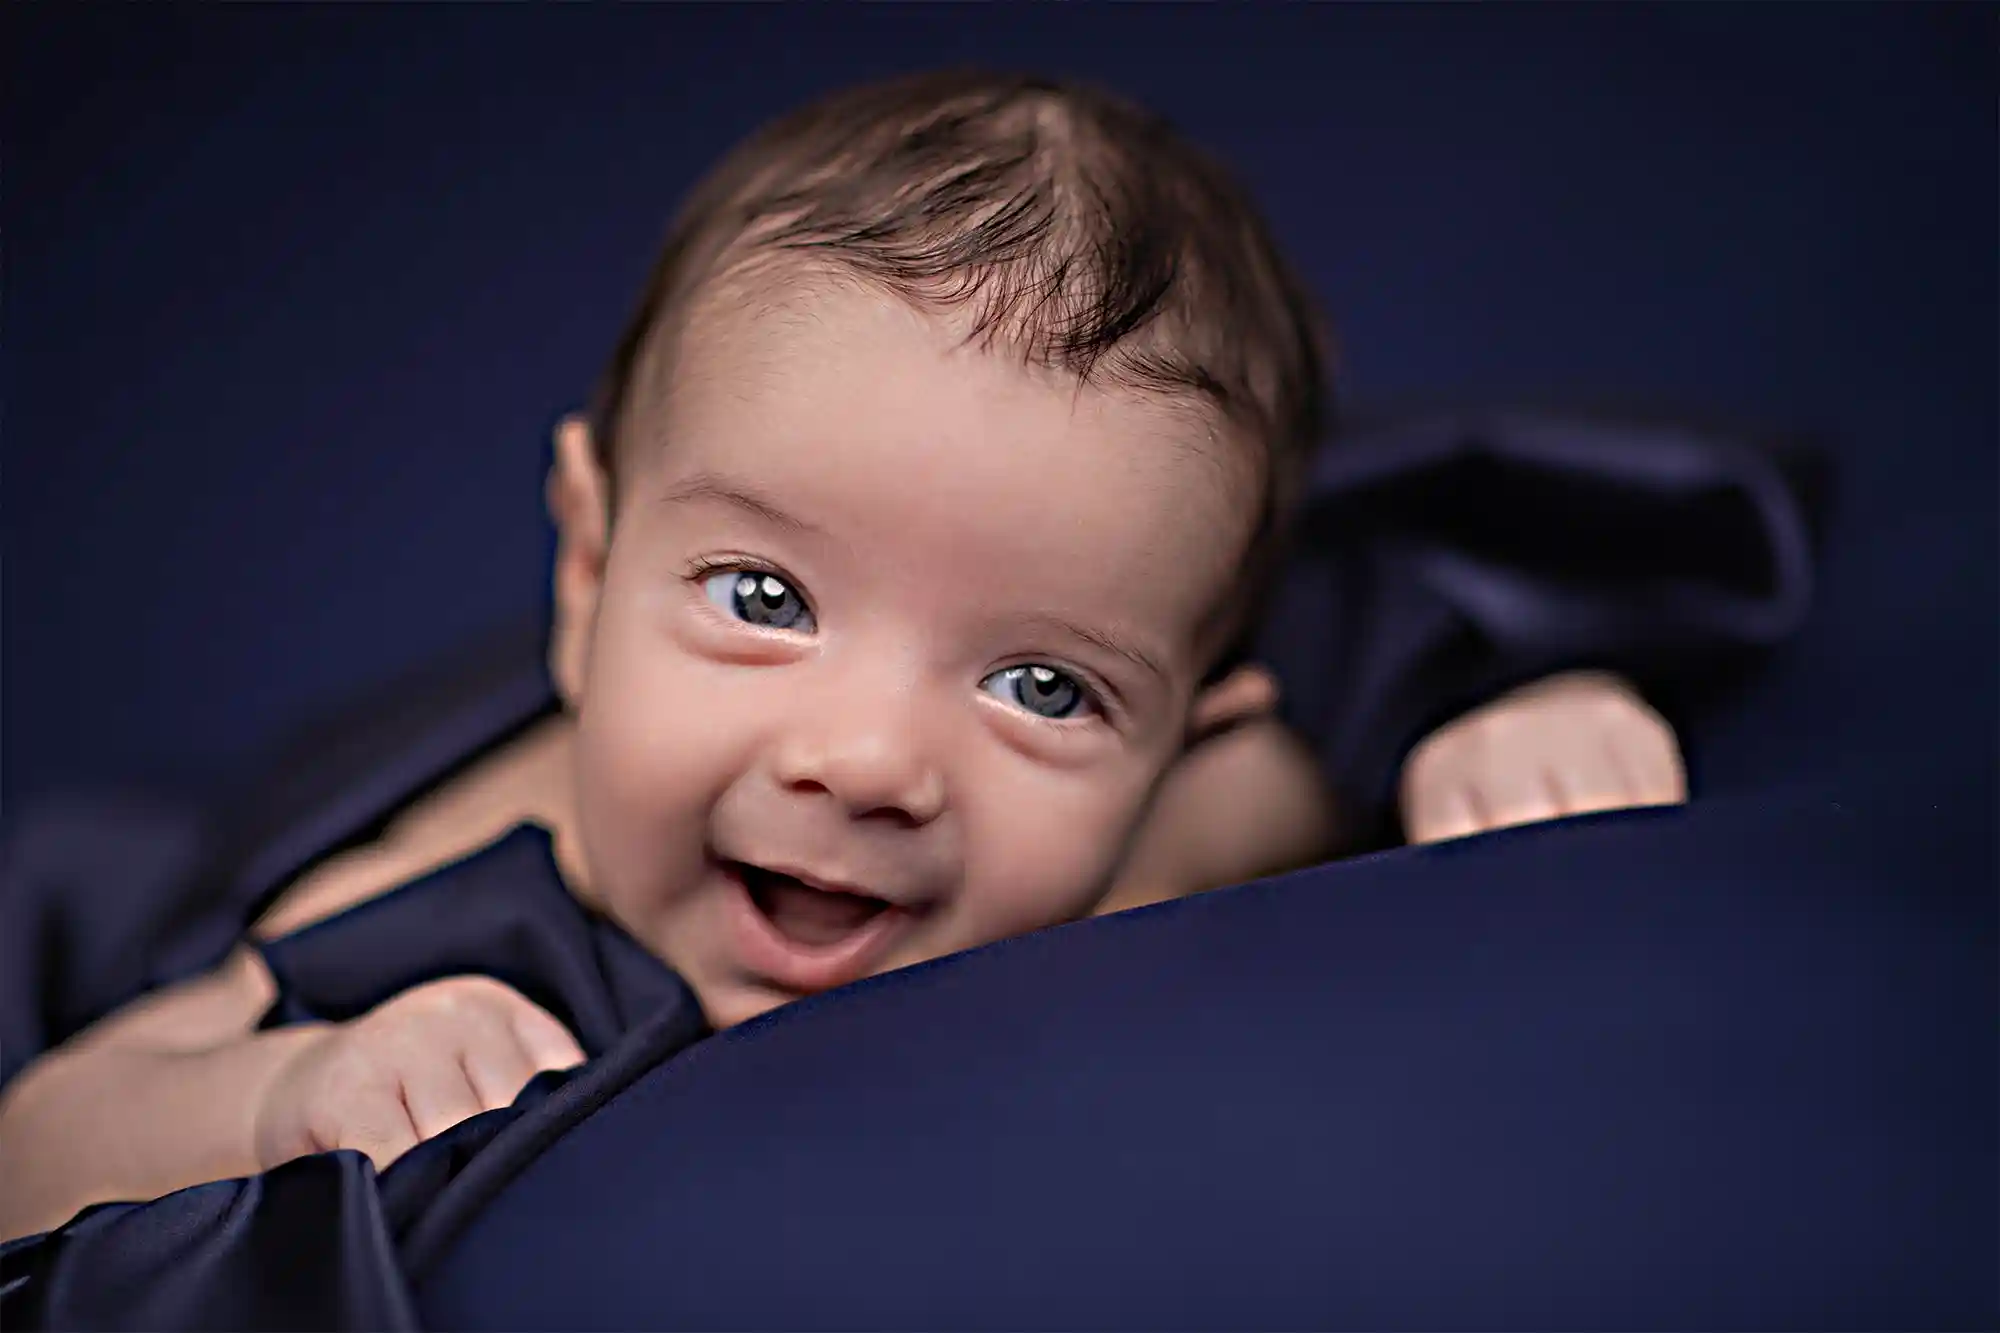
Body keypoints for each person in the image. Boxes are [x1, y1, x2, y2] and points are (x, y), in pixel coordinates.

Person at [0, 69, 1694, 1243]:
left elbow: (1361, 720)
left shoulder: (1175, 828)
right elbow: (36, 1145)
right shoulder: (429, 900)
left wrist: (1508, 725)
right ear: (587, 569)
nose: (869, 762)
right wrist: (289, 1089)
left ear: (1193, 719)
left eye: (1042, 686)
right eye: (762, 595)